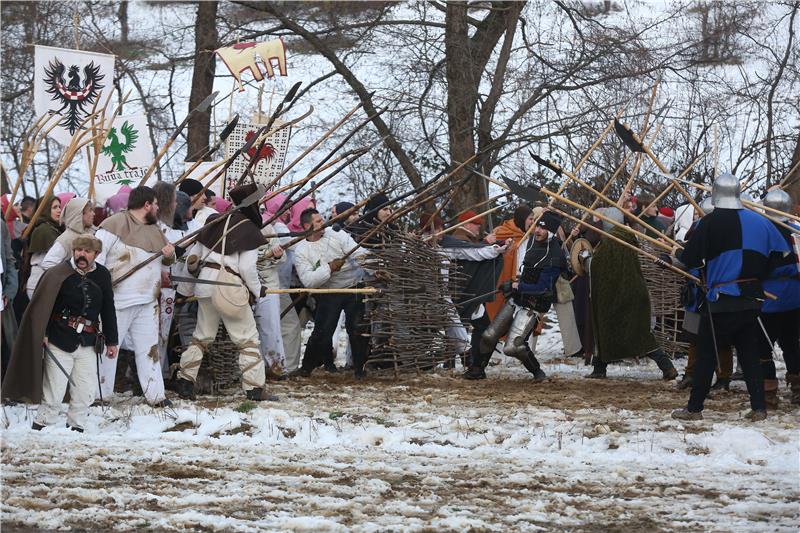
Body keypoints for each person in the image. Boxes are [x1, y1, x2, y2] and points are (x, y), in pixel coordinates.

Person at [671, 173, 790, 421]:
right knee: (749, 355)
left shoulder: (709, 223)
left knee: (706, 355)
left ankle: (694, 409)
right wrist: (757, 276)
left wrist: (678, 253)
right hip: (750, 300)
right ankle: (759, 407)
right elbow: (781, 256)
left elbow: (689, 260)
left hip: (721, 299)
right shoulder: (761, 222)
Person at [2, 234, 118, 432]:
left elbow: (108, 308)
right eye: (78, 250)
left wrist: (112, 340)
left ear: (96, 254)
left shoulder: (102, 275)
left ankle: (77, 426)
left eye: (87, 251)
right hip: (59, 338)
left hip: (88, 340)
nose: (82, 255)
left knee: (85, 390)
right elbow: (44, 307)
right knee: (53, 391)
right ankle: (42, 425)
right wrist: (44, 333)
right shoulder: (58, 273)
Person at [175, 183, 274, 401]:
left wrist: (183, 291)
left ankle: (185, 381)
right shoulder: (249, 229)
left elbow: (194, 257)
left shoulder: (214, 221)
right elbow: (247, 268)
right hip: (228, 287)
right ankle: (255, 389)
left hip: (205, 285)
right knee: (247, 338)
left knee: (202, 336)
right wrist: (259, 291)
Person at [95, 186, 175, 407]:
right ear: (147, 205)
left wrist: (169, 254)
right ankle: (99, 396)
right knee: (109, 349)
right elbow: (97, 262)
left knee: (149, 350)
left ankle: (156, 396)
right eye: (156, 204)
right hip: (117, 301)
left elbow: (165, 260)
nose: (158, 208)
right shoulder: (113, 225)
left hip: (148, 301)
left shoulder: (156, 230)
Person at [586, 206, 678, 380]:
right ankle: (600, 367)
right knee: (634, 333)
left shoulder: (612, 243)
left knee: (612, 330)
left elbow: (597, 266)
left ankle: (600, 369)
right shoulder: (628, 239)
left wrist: (586, 259)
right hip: (633, 293)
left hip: (620, 295)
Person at [476, 212, 565, 380]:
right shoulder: (533, 244)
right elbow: (525, 273)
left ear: (551, 231)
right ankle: (477, 370)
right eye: (537, 225)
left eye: (542, 228)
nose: (537, 230)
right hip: (517, 298)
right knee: (489, 335)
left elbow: (542, 287)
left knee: (513, 347)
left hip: (534, 304)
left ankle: (538, 372)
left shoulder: (555, 256)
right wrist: (514, 284)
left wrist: (518, 286)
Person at [292, 208, 371, 377]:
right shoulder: (301, 251)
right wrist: (329, 268)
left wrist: (372, 267)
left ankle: (359, 370)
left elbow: (359, 253)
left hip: (353, 286)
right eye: (319, 221)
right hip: (329, 291)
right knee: (323, 331)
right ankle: (306, 368)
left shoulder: (337, 234)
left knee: (357, 328)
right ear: (308, 226)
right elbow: (308, 281)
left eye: (322, 219)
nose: (324, 223)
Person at [758, 189, 800, 406]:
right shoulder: (797, 229)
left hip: (770, 298)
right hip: (794, 296)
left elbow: (758, 264)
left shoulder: (763, 231)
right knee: (792, 343)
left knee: (763, 347)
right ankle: (797, 386)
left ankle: (768, 393)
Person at [485, 205, 531, 320]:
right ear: (522, 219)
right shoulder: (501, 232)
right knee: (497, 322)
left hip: (521, 285)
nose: (533, 222)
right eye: (531, 219)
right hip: (502, 282)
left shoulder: (527, 235)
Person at [40, 197, 94, 273]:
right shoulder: (66, 238)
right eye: (90, 210)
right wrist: (70, 278)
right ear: (79, 214)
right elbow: (48, 263)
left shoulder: (92, 234)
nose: (93, 214)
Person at [24, 196, 62, 298]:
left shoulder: (55, 227)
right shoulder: (43, 230)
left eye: (59, 206)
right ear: (46, 209)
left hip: (50, 280)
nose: (59, 210)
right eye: (54, 207)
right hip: (39, 281)